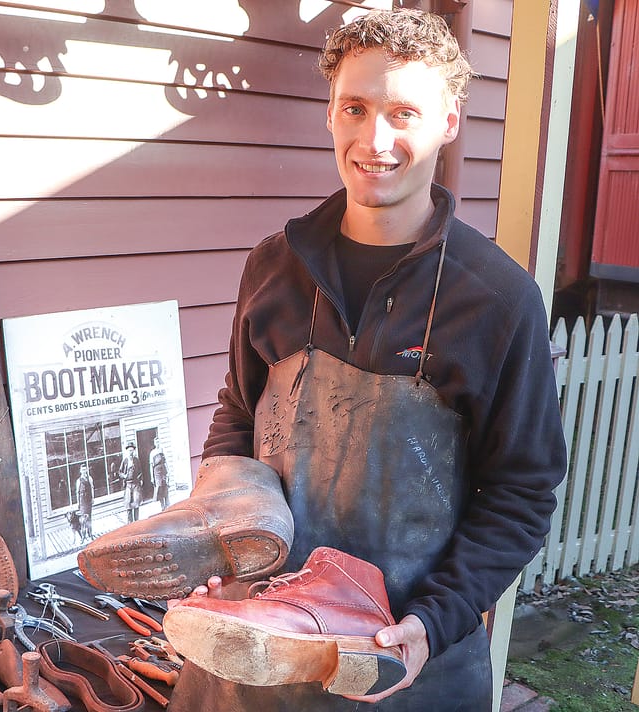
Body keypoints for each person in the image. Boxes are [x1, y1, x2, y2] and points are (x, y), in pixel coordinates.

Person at [166, 9, 567, 712]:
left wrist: (431, 622)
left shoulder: (497, 300)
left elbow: (522, 490)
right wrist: (225, 542)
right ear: (330, 113)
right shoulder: (273, 267)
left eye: (403, 112)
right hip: (258, 656)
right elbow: (238, 416)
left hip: (406, 666)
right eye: (355, 108)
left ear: (447, 121)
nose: (374, 139)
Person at [118, 442, 142, 523]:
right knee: (128, 504)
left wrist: (140, 479)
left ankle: (137, 522)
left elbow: (140, 471)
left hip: (135, 484)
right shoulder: (125, 461)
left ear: (134, 451)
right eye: (129, 451)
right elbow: (120, 472)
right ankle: (130, 523)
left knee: (136, 502)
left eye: (132, 450)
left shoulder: (136, 460)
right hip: (128, 484)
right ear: (127, 451)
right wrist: (124, 476)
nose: (131, 452)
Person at [148, 437, 170, 510]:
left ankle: (167, 504)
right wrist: (152, 477)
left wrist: (168, 471)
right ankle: (162, 506)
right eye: (156, 442)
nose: (157, 443)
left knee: (165, 486)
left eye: (158, 442)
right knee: (159, 488)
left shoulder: (162, 450)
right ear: (154, 443)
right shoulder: (152, 453)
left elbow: (165, 461)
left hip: (163, 470)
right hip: (157, 472)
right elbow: (151, 466)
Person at [74, 464, 95, 540]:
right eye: (82, 470)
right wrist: (78, 503)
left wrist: (93, 498)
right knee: (83, 519)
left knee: (89, 517)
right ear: (80, 471)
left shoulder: (89, 478)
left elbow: (92, 488)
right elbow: (77, 492)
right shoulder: (78, 481)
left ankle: (90, 533)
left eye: (85, 469)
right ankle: (83, 536)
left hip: (88, 500)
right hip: (82, 501)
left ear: (87, 470)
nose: (84, 471)